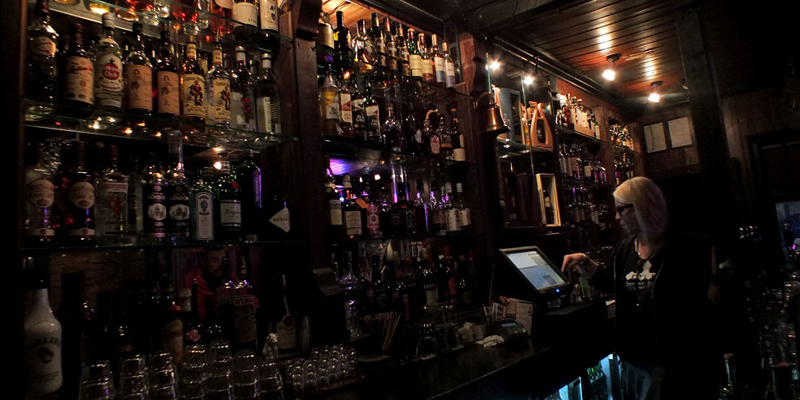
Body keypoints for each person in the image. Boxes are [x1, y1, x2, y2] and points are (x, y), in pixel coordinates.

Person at [562, 177, 717, 399]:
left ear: (642, 208)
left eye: (621, 210)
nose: (617, 217)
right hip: (633, 361)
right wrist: (585, 262)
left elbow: (699, 305)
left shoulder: (684, 248)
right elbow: (608, 282)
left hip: (673, 365)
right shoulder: (625, 248)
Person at [185, 248, 227, 322]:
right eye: (215, 260)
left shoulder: (231, 280)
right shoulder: (190, 282)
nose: (221, 265)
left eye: (223, 260)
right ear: (203, 261)